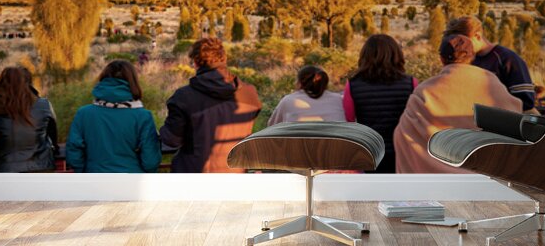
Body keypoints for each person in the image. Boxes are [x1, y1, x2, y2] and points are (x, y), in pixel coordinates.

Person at [393, 35, 522, 173]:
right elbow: (515, 118)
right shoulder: (492, 84)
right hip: (485, 178)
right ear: (473, 57)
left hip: (435, 185)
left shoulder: (425, 90)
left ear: (441, 58)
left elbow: (403, 135)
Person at [160, 38, 262, 173]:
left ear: (195, 63)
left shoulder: (183, 97)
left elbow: (170, 141)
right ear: (224, 59)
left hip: (192, 177)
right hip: (235, 176)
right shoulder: (249, 94)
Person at [66, 60, 161, 173]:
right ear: (133, 81)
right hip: (132, 183)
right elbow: (150, 161)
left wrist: (83, 173)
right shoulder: (143, 116)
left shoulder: (83, 114)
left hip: (94, 181)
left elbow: (74, 152)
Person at [343, 34, 417, 173]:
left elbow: (349, 120)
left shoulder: (352, 85)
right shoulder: (410, 83)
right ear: (396, 54)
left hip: (370, 153)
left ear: (365, 56)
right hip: (401, 153)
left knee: (373, 193)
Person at [444, 16, 538, 114]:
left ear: (477, 36)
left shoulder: (508, 59)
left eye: (464, 42)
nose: (460, 47)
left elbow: (526, 102)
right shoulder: (465, 62)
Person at [0, 67, 57, 173]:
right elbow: (52, 134)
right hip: (39, 167)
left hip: (0, 169)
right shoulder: (44, 105)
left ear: (1, 82)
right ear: (28, 84)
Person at [268, 66, 345, 125]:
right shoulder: (338, 99)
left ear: (299, 82)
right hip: (334, 145)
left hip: (296, 145)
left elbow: (272, 126)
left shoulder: (288, 100)